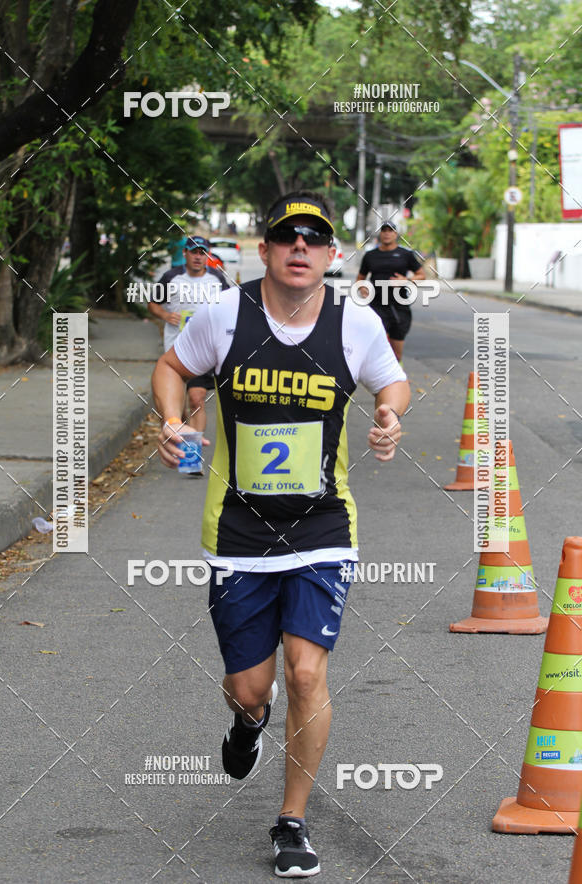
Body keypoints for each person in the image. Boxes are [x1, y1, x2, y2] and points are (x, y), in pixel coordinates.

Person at [152, 191, 410, 877]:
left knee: (306, 672)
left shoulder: (353, 324)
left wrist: (388, 414)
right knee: (250, 688)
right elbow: (172, 367)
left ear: (330, 255)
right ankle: (246, 725)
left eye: (315, 238)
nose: (301, 247)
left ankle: (291, 820)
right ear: (264, 249)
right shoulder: (223, 317)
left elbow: (394, 382)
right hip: (238, 532)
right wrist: (173, 421)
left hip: (324, 528)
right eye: (287, 236)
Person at [148, 235, 227, 436]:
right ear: (185, 254)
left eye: (202, 253)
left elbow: (229, 307)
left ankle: (194, 452)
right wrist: (165, 315)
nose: (198, 257)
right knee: (177, 408)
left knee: (197, 398)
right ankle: (181, 431)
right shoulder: (171, 277)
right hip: (175, 349)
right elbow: (152, 304)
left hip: (203, 350)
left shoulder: (216, 279)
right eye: (194, 252)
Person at [356, 220, 425, 362]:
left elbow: (421, 275)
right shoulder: (370, 256)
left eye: (390, 231)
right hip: (376, 306)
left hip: (399, 307)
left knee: (396, 354)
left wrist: (407, 281)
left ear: (396, 234)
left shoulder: (406, 254)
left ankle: (396, 380)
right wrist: (363, 288)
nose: (387, 234)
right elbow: (360, 279)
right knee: (375, 348)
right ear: (380, 234)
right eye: (384, 230)